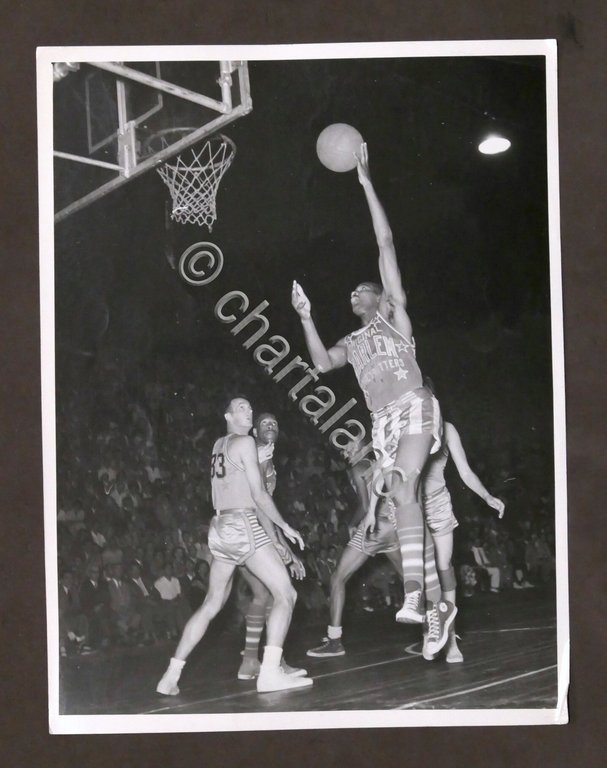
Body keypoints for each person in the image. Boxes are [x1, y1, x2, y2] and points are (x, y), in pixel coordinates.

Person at [292, 142, 454, 655]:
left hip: (414, 405)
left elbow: (384, 242)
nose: (355, 295)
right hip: (383, 423)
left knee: (405, 484)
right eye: (355, 294)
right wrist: (304, 316)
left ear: (381, 298)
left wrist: (364, 181)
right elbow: (319, 364)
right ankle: (428, 604)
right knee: (403, 497)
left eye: (364, 290)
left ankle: (422, 599)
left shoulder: (394, 317)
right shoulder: (354, 342)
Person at [156, 397, 312, 695]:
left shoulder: (219, 444)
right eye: (241, 407)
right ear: (228, 414)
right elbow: (259, 496)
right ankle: (269, 673)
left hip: (220, 527)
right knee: (286, 594)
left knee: (212, 603)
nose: (248, 410)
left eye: (250, 407)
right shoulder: (244, 443)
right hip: (243, 523)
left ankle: (170, 675)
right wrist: (285, 527)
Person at [306, 441, 441, 657]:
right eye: (342, 449)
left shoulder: (358, 468)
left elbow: (365, 505)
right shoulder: (381, 462)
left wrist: (350, 524)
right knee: (410, 581)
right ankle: (430, 635)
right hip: (394, 527)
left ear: (361, 445)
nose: (345, 451)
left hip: (375, 528)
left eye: (349, 446)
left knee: (337, 579)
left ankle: (334, 640)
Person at [421, 418, 505, 662]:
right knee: (423, 571)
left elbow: (465, 471)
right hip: (410, 505)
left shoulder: (446, 428)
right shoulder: (402, 421)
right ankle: (430, 629)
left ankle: (450, 639)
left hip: (436, 502)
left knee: (443, 567)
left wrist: (487, 496)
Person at [237, 412, 307, 681]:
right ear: (254, 432)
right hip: (250, 531)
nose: (270, 426)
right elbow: (260, 506)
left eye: (275, 422)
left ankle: (249, 662)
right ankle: (272, 664)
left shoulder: (263, 456)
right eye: (264, 423)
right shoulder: (258, 456)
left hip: (237, 531)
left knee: (261, 595)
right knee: (282, 594)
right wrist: (280, 545)